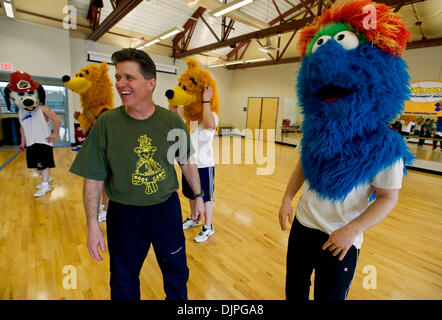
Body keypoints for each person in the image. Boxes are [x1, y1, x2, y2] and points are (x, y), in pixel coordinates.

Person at [70, 48, 205, 300]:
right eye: (118, 77)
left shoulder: (172, 122)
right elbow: (94, 177)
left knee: (176, 273)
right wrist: (92, 224)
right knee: (123, 280)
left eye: (129, 78)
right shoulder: (107, 123)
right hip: (123, 214)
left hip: (166, 210)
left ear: (150, 83)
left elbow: (186, 161)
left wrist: (197, 195)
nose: (120, 83)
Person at [279, 153, 403, 300]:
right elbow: (302, 165)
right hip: (302, 225)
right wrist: (287, 199)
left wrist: (352, 230)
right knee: (295, 288)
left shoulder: (387, 146)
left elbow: (388, 197)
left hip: (342, 239)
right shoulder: (315, 130)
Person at [169, 87, 218, 243]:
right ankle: (194, 218)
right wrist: (173, 102)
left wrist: (205, 99)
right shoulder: (190, 120)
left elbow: (210, 125)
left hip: (205, 164)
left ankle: (208, 226)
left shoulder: (212, 116)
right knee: (191, 193)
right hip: (189, 163)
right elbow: (173, 119)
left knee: (207, 197)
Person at [5, 71, 61, 198]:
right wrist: (22, 142)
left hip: (43, 141)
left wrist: (54, 134)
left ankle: (45, 185)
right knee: (35, 167)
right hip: (31, 142)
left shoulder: (43, 109)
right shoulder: (20, 112)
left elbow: (57, 120)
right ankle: (46, 179)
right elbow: (22, 128)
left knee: (44, 165)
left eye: (29, 92)